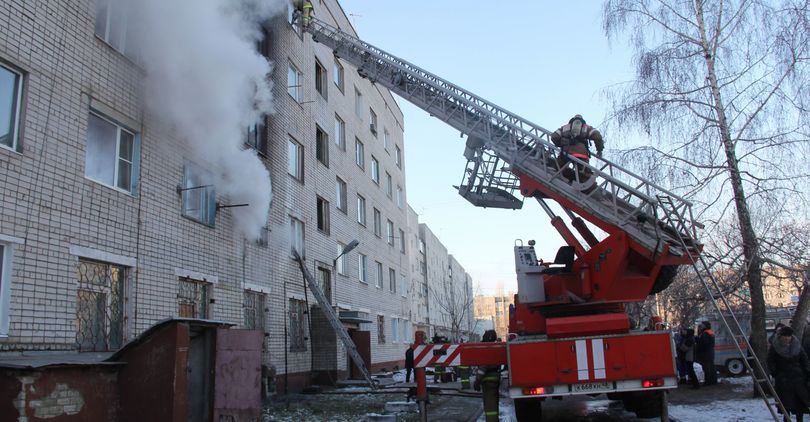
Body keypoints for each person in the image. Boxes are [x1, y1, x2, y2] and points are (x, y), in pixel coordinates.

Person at [768, 326, 810, 422]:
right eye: (785, 336)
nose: (787, 338)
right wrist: (775, 373)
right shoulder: (775, 347)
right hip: (783, 380)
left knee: (800, 404)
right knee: (785, 405)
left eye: (789, 336)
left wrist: (807, 372)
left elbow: (804, 359)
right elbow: (770, 361)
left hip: (798, 379)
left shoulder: (797, 345)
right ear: (781, 336)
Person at [549, 114, 604, 182]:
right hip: (581, 155)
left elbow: (554, 136)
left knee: (558, 165)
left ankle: (553, 171)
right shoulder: (587, 128)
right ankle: (586, 185)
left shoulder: (565, 127)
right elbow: (597, 136)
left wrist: (560, 144)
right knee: (584, 174)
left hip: (566, 152)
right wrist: (599, 150)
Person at [475, 330, 501, 422]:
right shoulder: (496, 348)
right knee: (494, 405)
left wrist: (477, 381)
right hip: (495, 379)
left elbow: (482, 368)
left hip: (488, 381)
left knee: (490, 409)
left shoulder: (487, 349)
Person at [696, 321, 717, 386]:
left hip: (705, 353)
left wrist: (698, 343)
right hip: (710, 352)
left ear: (705, 326)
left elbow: (704, 343)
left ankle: (708, 382)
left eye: (702, 325)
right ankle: (713, 380)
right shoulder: (710, 332)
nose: (701, 326)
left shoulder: (705, 333)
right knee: (711, 367)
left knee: (706, 368)